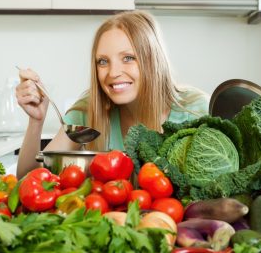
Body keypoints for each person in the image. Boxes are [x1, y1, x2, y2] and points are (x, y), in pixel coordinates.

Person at [16, 10, 210, 178]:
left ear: (153, 60)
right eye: (103, 61)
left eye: (128, 58)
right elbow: (29, 180)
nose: (113, 73)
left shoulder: (196, 110)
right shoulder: (88, 111)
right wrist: (36, 121)